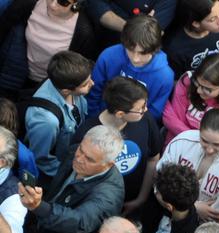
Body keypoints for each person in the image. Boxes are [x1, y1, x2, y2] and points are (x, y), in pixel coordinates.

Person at [17, 125, 124, 233]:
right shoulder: (75, 152)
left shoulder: (109, 194)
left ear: (108, 164)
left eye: (89, 159)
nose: (79, 158)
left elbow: (79, 220)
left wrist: (40, 207)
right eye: (81, 149)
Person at [72, 76, 161, 214]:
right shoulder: (87, 134)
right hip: (97, 207)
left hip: (133, 200)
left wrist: (141, 199)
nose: (145, 110)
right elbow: (78, 175)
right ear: (120, 113)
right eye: (141, 108)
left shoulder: (145, 119)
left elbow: (153, 159)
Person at [159, 109, 219, 221]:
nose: (209, 150)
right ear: (199, 128)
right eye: (204, 141)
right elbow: (160, 187)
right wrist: (194, 208)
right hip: (166, 215)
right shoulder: (182, 141)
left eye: (217, 144)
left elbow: (216, 213)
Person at [86, 15, 173, 121]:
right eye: (130, 50)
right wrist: (95, 119)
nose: (135, 59)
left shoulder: (165, 76)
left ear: (155, 49)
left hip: (136, 125)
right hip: (102, 117)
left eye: (142, 53)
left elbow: (154, 113)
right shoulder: (108, 56)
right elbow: (94, 92)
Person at [23, 51, 93, 181]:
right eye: (85, 84)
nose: (92, 84)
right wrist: (70, 176)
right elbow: (41, 159)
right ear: (66, 90)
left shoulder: (66, 83)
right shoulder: (47, 120)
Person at [162, 54, 219, 145]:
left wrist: (192, 138)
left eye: (207, 89)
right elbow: (171, 120)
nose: (199, 91)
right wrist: (204, 139)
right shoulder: (188, 80)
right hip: (175, 143)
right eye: (197, 83)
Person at [164, 0, 219, 75]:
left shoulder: (217, 28)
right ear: (196, 23)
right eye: (212, 19)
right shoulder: (175, 49)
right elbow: (177, 81)